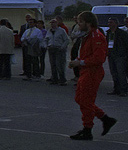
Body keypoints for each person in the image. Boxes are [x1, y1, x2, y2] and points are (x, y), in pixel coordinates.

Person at [68, 11, 116, 141]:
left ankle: (87, 129)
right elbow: (86, 54)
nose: (79, 25)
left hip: (92, 72)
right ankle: (105, 119)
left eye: (81, 22)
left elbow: (99, 58)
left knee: (86, 101)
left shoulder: (96, 36)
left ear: (88, 23)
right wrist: (77, 61)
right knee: (80, 99)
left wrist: (80, 62)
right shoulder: (88, 36)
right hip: (86, 71)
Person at [105, 16, 128, 96]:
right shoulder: (108, 33)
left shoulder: (122, 33)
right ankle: (116, 89)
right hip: (111, 55)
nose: (109, 24)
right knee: (113, 72)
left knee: (121, 73)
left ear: (116, 23)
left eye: (111, 22)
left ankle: (124, 90)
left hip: (120, 56)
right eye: (108, 22)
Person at [44, 18, 70, 86]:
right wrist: (46, 46)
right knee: (53, 65)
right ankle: (54, 79)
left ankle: (62, 79)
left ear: (57, 23)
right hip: (51, 48)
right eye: (51, 23)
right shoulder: (49, 31)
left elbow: (67, 40)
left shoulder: (61, 31)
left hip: (59, 49)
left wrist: (62, 47)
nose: (52, 24)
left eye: (54, 22)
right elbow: (46, 39)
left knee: (60, 65)